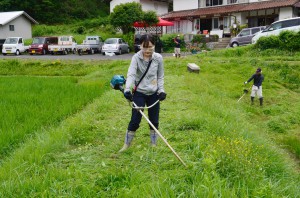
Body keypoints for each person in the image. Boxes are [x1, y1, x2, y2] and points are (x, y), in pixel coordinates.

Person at [119, 34, 167, 152]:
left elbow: (160, 76)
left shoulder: (158, 58)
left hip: (153, 93)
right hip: (139, 92)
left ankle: (153, 144)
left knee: (154, 120)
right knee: (135, 119)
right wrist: (127, 89)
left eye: (150, 47)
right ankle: (126, 145)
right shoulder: (136, 58)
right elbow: (131, 74)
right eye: (144, 48)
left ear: (154, 46)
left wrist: (161, 91)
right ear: (140, 46)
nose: (147, 51)